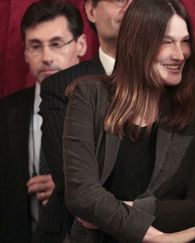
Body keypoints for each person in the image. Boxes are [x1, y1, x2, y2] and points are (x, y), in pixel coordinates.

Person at [62, 0, 195, 242]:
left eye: (184, 41)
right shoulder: (88, 95)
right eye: (167, 41)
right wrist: (154, 236)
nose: (179, 54)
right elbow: (81, 195)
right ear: (137, 42)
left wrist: (117, 211)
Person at [37, 0, 132, 242]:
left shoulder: (176, 80)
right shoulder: (60, 86)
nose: (129, 7)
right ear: (91, 10)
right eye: (119, 0)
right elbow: (75, 182)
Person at [0, 1, 86, 243]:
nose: (46, 57)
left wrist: (66, 188)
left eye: (57, 44)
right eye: (35, 46)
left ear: (81, 44)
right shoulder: (6, 111)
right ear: (25, 52)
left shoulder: (109, 106)